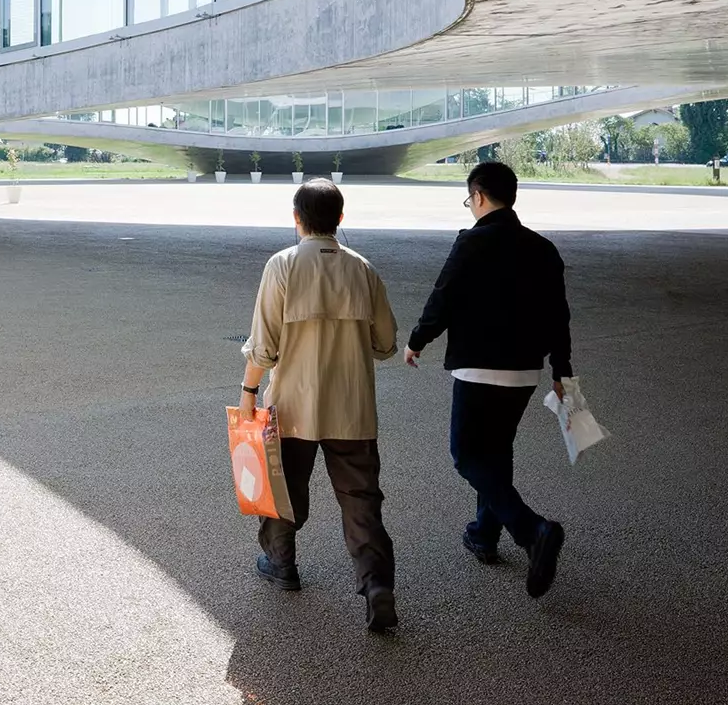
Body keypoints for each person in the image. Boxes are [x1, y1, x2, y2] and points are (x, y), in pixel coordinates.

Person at [403, 160, 572, 599]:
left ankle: (532, 529)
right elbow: (559, 316)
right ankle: (483, 534)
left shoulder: (472, 243)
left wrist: (418, 340)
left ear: (478, 195)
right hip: (524, 371)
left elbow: (443, 296)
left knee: (465, 454)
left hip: (478, 366)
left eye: (469, 199)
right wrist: (562, 369)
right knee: (496, 451)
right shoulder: (543, 249)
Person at [239, 178, 401, 632]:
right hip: (352, 408)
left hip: (292, 407)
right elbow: (386, 344)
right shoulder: (363, 269)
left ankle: (281, 563)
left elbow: (264, 346)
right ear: (340, 220)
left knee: (285, 487)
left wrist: (249, 393)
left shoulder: (282, 266)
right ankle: (376, 586)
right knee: (362, 501)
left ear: (296, 220)